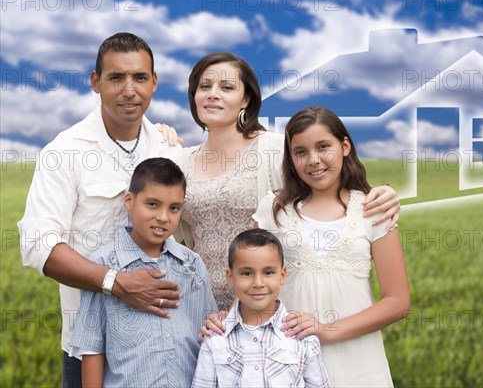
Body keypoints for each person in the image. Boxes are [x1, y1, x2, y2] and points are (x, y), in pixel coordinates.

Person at [17, 32, 183, 387]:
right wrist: (117, 283)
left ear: (154, 82)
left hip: (162, 345)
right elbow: (38, 245)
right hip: (91, 349)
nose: (129, 89)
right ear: (96, 82)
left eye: (139, 77)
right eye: (116, 77)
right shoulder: (64, 151)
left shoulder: (170, 150)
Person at [178, 52, 401, 312]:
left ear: (246, 99)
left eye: (227, 87)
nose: (213, 94)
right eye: (204, 86)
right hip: (199, 307)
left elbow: (327, 186)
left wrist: (384, 193)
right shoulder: (180, 160)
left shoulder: (274, 149)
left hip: (269, 309)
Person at [251, 106, 411, 387]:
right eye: (300, 152)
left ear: (345, 146)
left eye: (324, 146)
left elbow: (397, 302)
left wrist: (327, 330)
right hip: (289, 361)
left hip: (360, 365)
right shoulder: (274, 210)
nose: (313, 160)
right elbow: (251, 283)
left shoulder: (373, 209)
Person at [70, 158, 217, 387]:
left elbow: (208, 337)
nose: (163, 217)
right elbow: (92, 348)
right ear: (129, 201)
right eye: (152, 204)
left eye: (174, 208)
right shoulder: (103, 265)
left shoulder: (192, 265)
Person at [192, 228, 330, 388]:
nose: (258, 283)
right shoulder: (215, 338)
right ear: (230, 277)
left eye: (268, 272)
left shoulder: (303, 338)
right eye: (246, 273)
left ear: (282, 275)